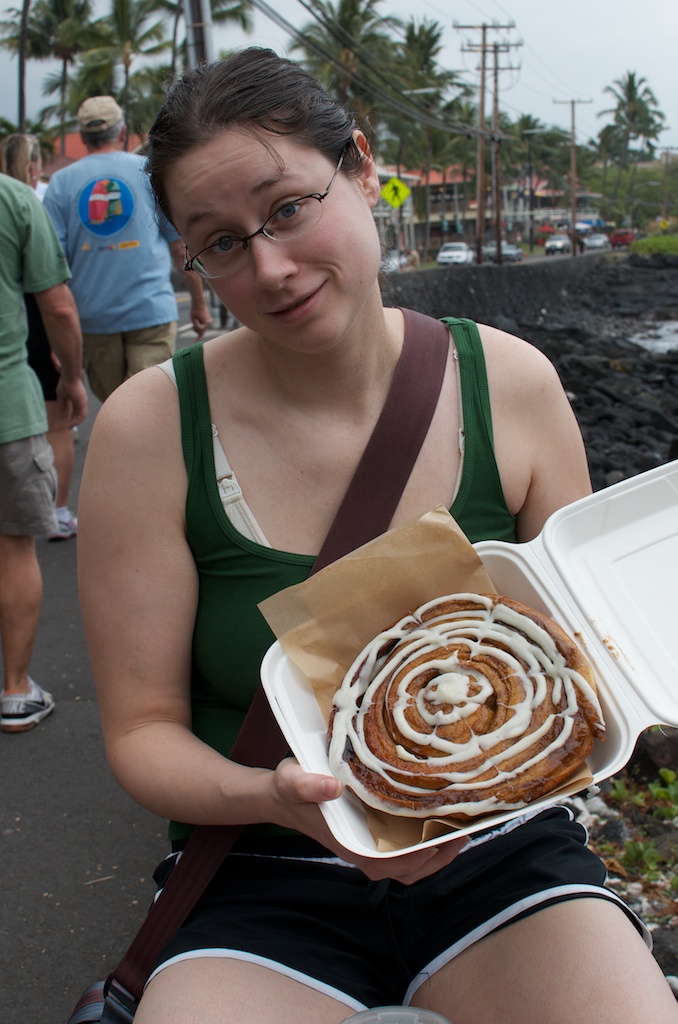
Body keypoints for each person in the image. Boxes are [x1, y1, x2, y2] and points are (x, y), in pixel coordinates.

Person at [77, 49, 678, 1024]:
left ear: (359, 168)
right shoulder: (151, 430)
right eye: (220, 243)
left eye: (287, 208)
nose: (268, 264)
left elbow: (589, 648)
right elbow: (143, 732)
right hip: (262, 872)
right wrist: (279, 795)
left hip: (502, 846)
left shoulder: (513, 385)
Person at [43, 95, 212, 404]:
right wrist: (199, 303)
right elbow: (180, 248)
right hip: (150, 313)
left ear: (82, 137)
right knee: (151, 408)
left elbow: (53, 269)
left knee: (116, 410)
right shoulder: (148, 172)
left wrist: (58, 337)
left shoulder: (60, 184)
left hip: (93, 320)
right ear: (122, 133)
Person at [0, 169, 87, 731]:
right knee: (13, 549)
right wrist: (72, 377)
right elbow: (58, 308)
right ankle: (14, 691)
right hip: (7, 408)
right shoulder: (11, 198)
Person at [0, 133, 79, 540]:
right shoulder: (22, 200)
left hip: (27, 332)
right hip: (32, 340)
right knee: (58, 423)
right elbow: (58, 304)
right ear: (33, 165)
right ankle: (60, 511)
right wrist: (72, 371)